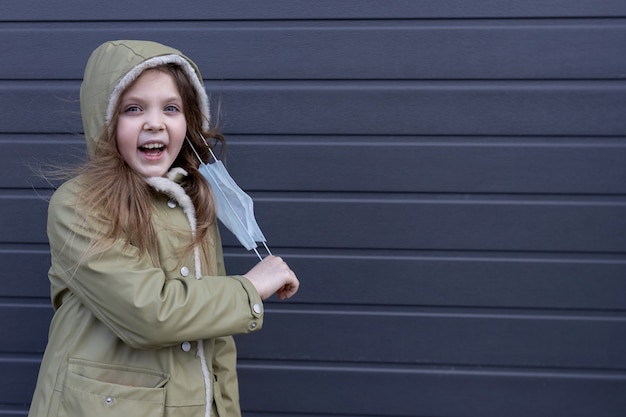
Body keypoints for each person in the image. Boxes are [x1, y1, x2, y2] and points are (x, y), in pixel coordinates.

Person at [28, 40, 299, 417]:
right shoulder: (79, 204)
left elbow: (216, 342)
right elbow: (149, 314)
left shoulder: (193, 199)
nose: (154, 122)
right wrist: (249, 289)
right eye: (133, 108)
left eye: (170, 108)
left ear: (188, 123)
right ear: (104, 121)